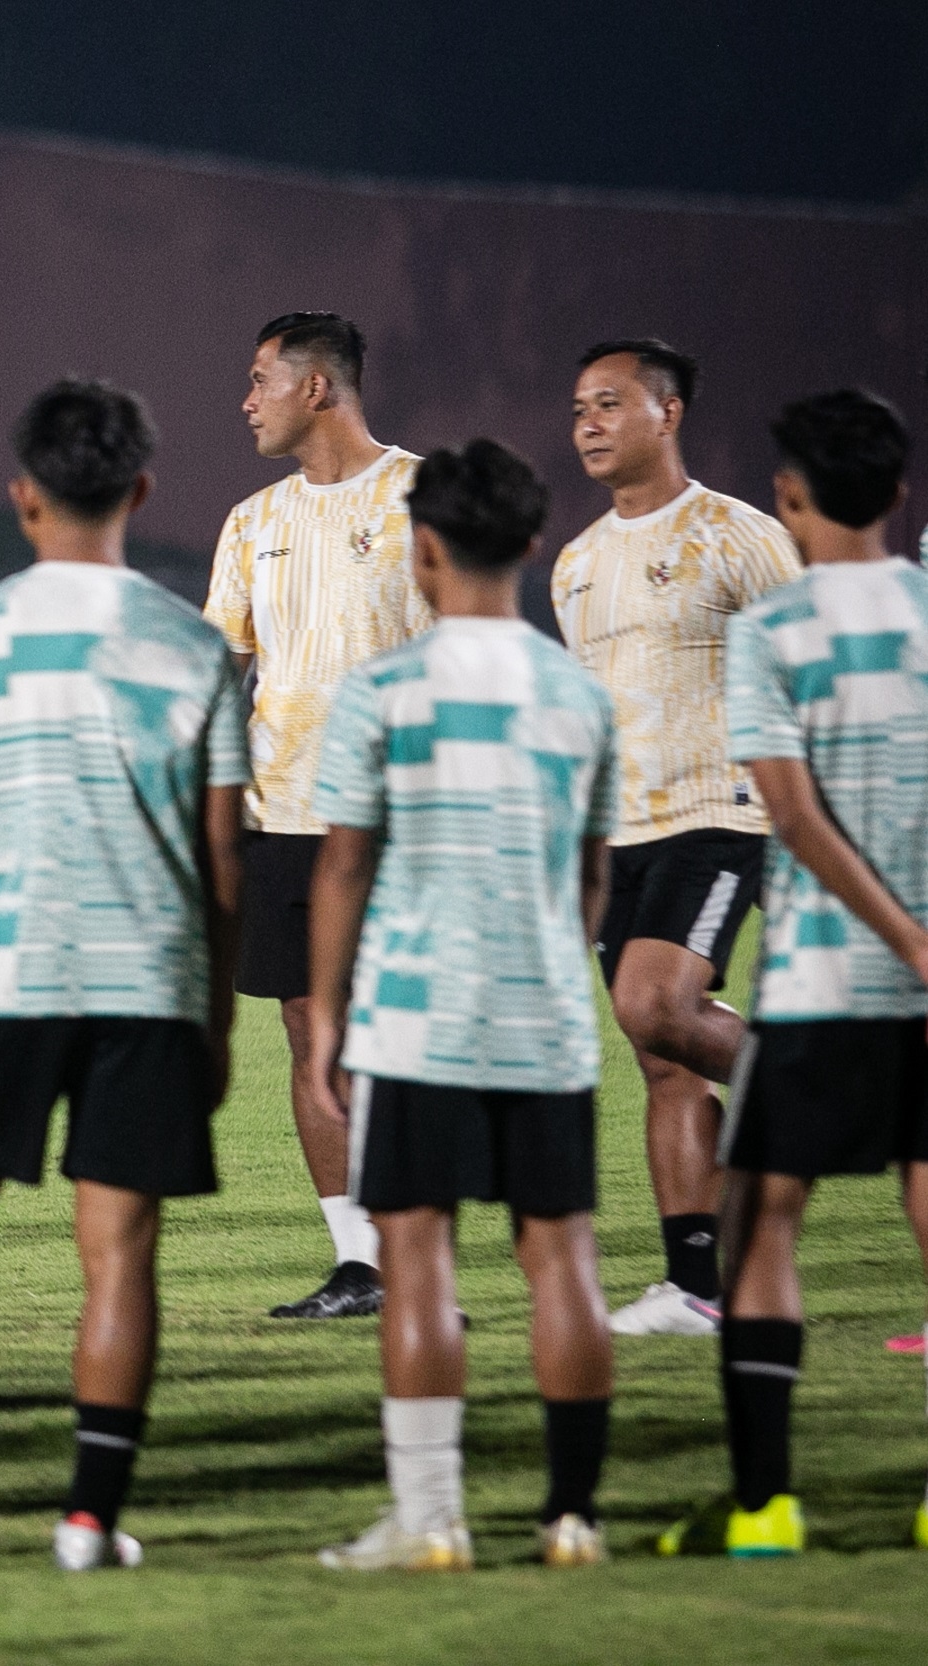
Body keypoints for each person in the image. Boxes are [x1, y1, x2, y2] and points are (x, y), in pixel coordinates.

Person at [0, 379, 245, 1574]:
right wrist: (216, 1018)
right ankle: (89, 1521)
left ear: (22, 497)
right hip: (149, 986)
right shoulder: (194, 646)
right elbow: (224, 858)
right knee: (119, 1252)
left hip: (8, 979)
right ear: (138, 492)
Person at [305, 440, 620, 1572]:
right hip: (543, 1018)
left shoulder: (383, 689)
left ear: (421, 547)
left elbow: (344, 865)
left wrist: (330, 1016)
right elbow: (592, 877)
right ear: (533, 544)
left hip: (415, 1019)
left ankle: (430, 1518)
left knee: (420, 1255)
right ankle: (571, 1515)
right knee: (561, 1255)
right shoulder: (580, 693)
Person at [661, 389, 928, 1558]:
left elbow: (793, 816)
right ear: (900, 495)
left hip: (823, 983)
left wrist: (902, 936)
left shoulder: (771, 632)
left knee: (761, 1224)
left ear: (789, 495)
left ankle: (764, 1501)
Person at [552, 340, 801, 1337]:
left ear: (668, 410)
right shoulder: (574, 565)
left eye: (609, 404)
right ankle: (695, 1287)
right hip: (620, 830)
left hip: (719, 810)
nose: (588, 424)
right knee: (660, 1052)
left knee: (654, 1001)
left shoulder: (737, 536)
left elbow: (800, 673)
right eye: (578, 408)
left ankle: (818, 1085)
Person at [204, 311, 430, 1321]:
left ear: (318, 388)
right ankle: (360, 1264)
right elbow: (223, 674)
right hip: (281, 817)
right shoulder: (252, 522)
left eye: (259, 380)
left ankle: (420, 1262)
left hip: (397, 822)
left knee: (398, 1043)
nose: (244, 400)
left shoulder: (422, 495)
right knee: (311, 1034)